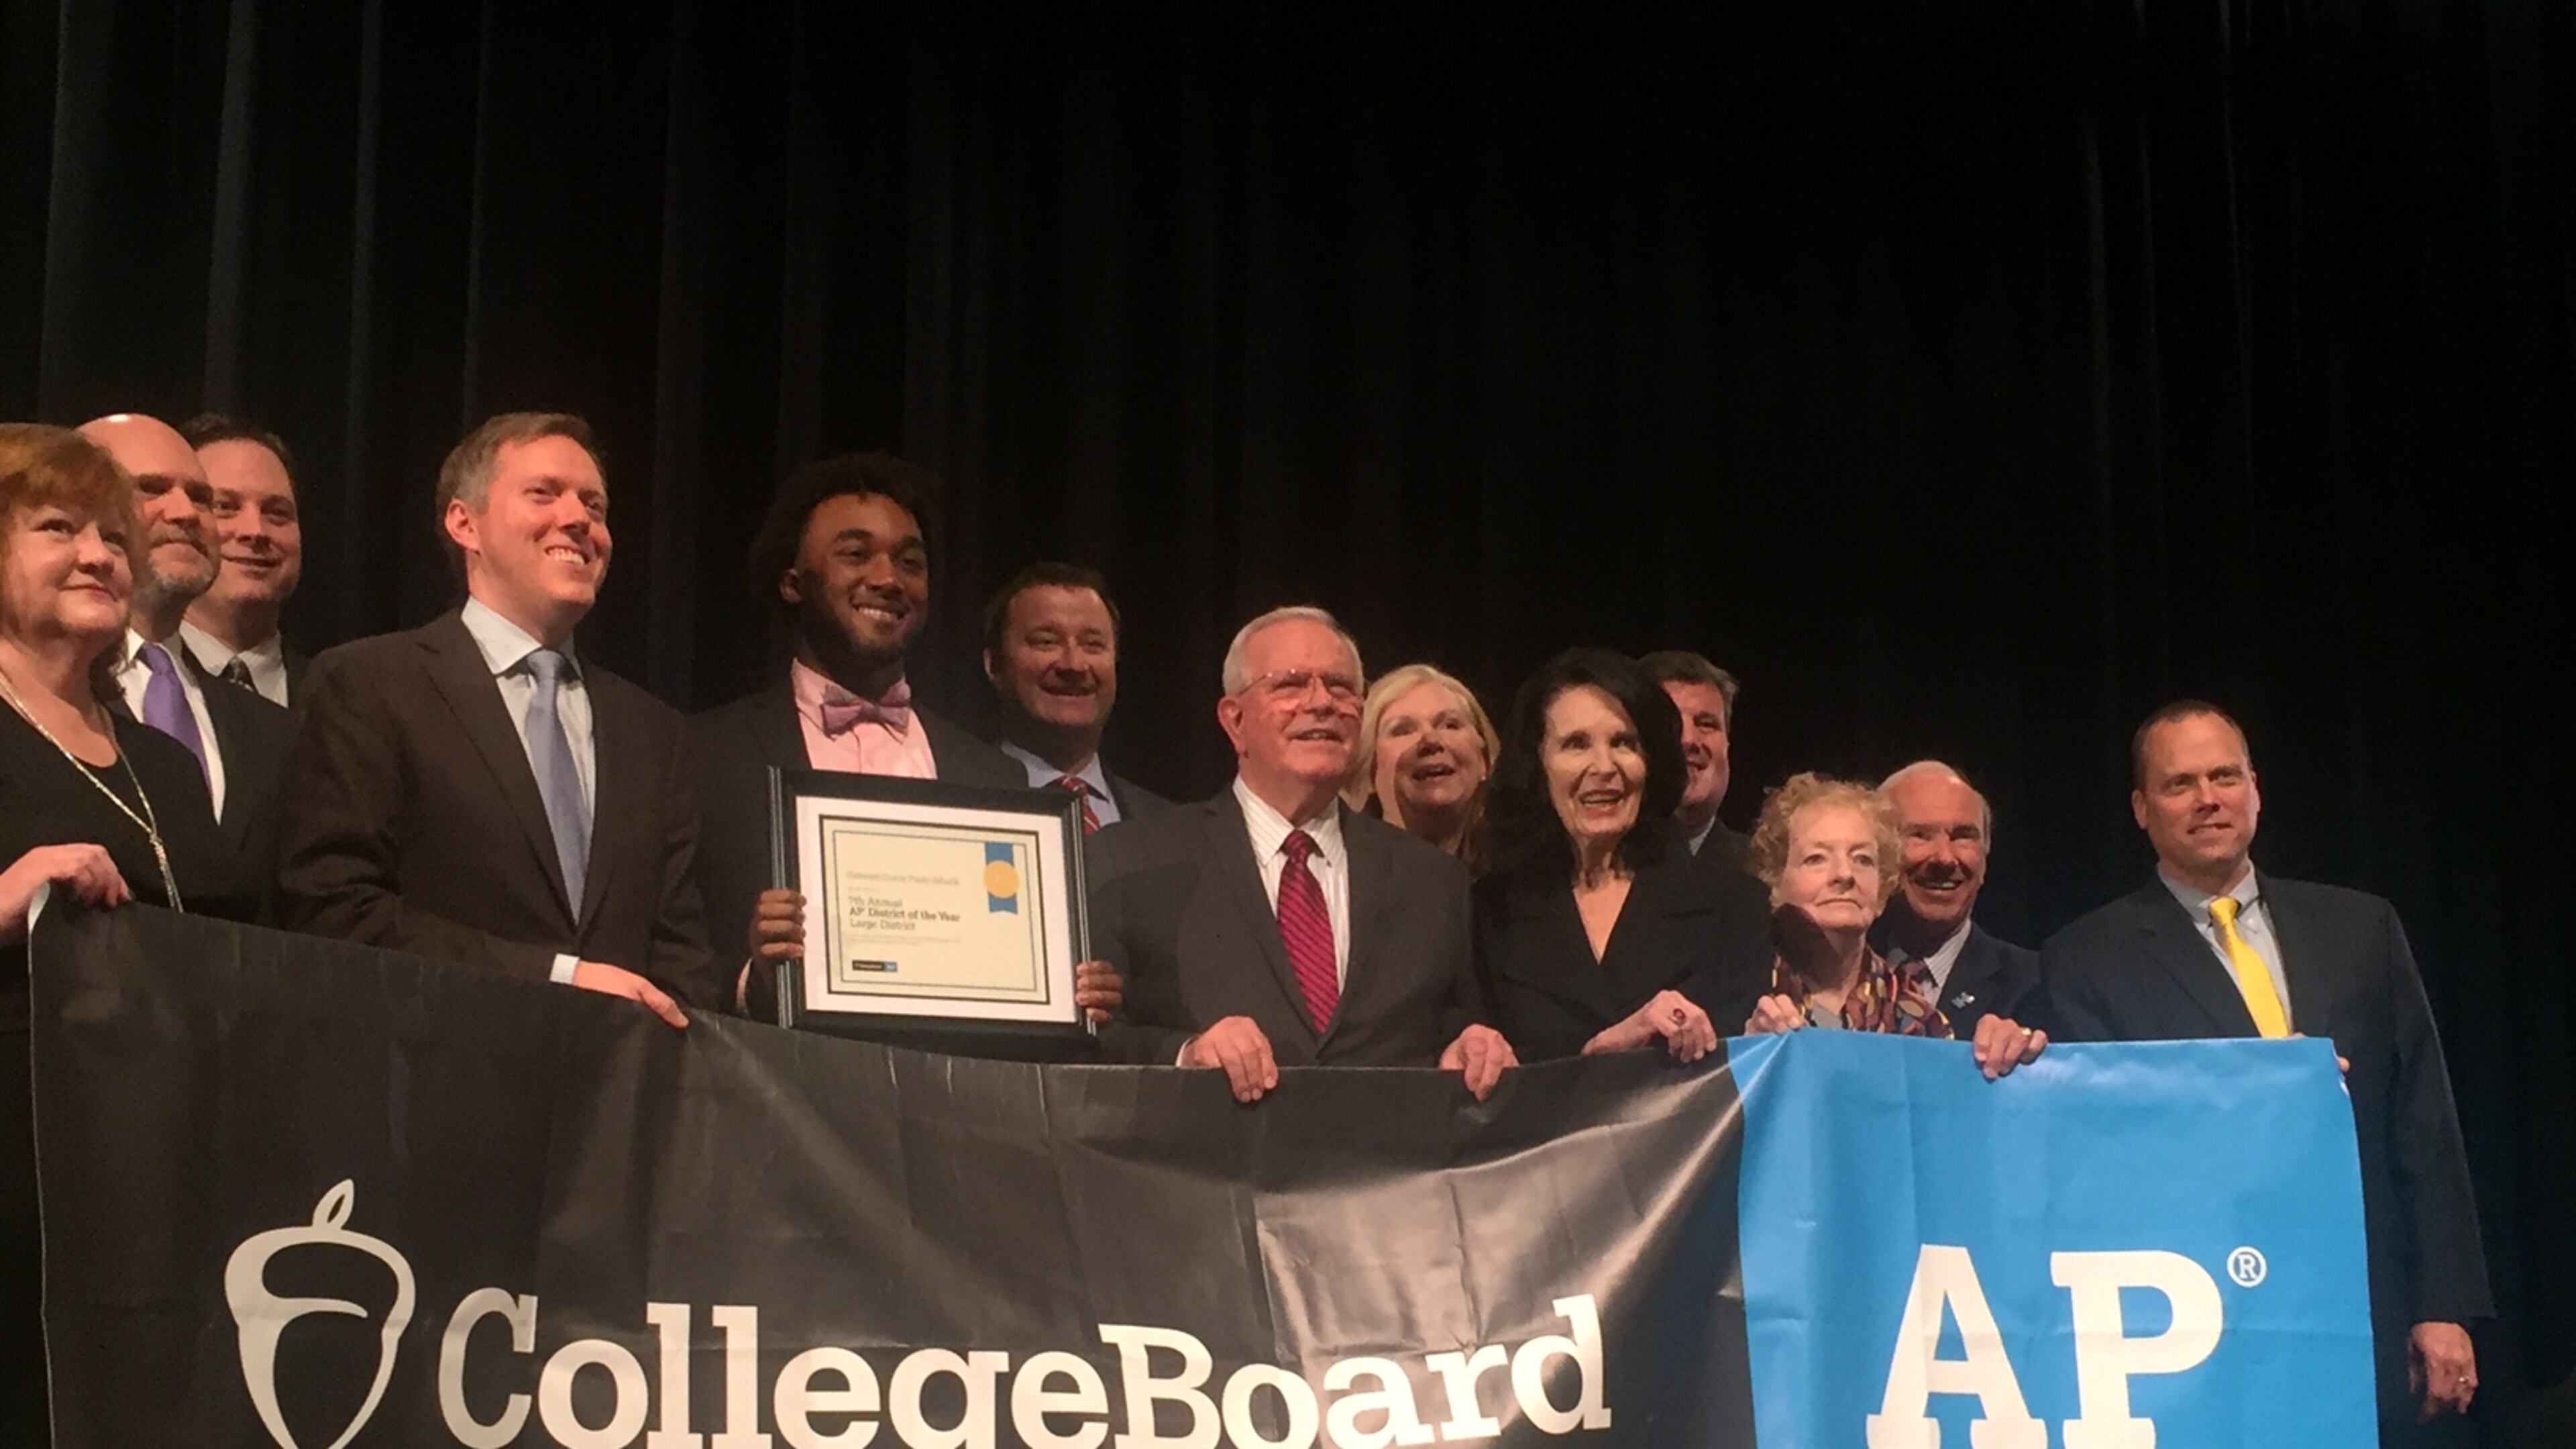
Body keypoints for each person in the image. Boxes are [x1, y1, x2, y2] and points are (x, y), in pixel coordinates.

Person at [2041, 702, 2489, 1443]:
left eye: (2224, 775)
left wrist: (2444, 1304)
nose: (2207, 798)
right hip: (2193, 1317)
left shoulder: (2361, 927)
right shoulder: (2085, 958)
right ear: (2141, 809)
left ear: (2256, 788)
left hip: (2363, 1303)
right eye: (2180, 783)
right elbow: (2099, 1160)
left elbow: (2422, 1123)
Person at [274, 412, 719, 1024]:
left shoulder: (654, 732)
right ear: (465, 523)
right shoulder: (371, 685)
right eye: (544, 494)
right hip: (431, 1080)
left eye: (594, 504)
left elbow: (681, 953)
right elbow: (335, 908)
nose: (578, 519)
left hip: (620, 1101)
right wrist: (556, 979)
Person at [0, 424, 254, 1445]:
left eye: (115, 536)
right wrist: (10, 888)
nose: (101, 555)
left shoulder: (164, 761)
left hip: (152, 1193)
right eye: (59, 528)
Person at [1087, 606, 1513, 1101]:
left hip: (1386, 1170)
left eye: (1339, 687)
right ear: (1235, 721)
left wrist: (1468, 1051)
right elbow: (1095, 1043)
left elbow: (1454, 1033)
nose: (1321, 703)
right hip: (1205, 1166)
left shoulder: (1432, 881)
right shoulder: (1133, 860)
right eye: (1290, 685)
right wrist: (1187, 1055)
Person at [690, 452, 1022, 1017]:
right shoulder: (704, 754)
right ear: (793, 583)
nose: (888, 579)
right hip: (768, 1091)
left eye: (910, 563)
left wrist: (1067, 989)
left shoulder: (994, 776)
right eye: (855, 554)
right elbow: (668, 955)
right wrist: (756, 978)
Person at [1471, 649, 1773, 1062]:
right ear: (1540, 766)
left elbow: (1737, 1079)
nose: (1604, 766)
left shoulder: (1736, 905)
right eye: (1576, 744)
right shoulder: (1491, 912)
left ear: (1650, 762)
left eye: (1624, 743)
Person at [75, 414, 290, 892]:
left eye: (200, 497)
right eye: (151, 489)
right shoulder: (39, 692)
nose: (185, 514)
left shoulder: (272, 729)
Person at [1739, 772, 2046, 1078]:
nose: (1845, 874)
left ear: (1884, 883)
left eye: (1863, 859)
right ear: (1775, 880)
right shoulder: (1735, 989)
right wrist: (1745, 1059)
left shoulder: (1922, 1021)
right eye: (1817, 858)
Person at [980, 560, 1170, 828]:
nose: (1074, 665)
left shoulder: (1171, 827)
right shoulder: (949, 801)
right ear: (994, 665)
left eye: (1093, 645)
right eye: (1046, 642)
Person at [1871, 760, 2039, 1036]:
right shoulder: (1833, 978)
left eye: (1963, 836)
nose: (1945, 858)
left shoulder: (2036, 985)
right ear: (1876, 853)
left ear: (1985, 860)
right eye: (1920, 835)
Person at [176, 413, 306, 704]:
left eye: (277, 512)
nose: (255, 531)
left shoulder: (339, 699)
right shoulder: (111, 688)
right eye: (224, 507)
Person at [1344, 663, 1498, 874]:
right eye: (1402, 730)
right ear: (1369, 771)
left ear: (1483, 760)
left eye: (1450, 725)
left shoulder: (1523, 887)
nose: (1431, 740)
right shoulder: (1342, 887)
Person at [1638, 649, 1751, 872]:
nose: (1689, 739)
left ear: (1728, 746)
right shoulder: (1569, 871)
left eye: (1706, 724)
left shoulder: (1769, 875)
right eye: (1670, 723)